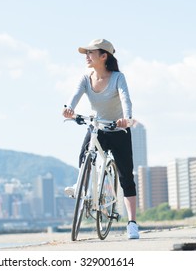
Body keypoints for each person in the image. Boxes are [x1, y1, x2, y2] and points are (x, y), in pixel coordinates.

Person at [62, 38, 139, 240]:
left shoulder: (117, 78)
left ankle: (132, 223)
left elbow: (125, 99)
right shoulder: (86, 78)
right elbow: (74, 96)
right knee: (84, 155)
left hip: (118, 129)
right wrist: (69, 109)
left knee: (126, 177)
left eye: (91, 53)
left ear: (104, 56)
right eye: (86, 53)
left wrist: (127, 118)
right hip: (98, 126)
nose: (86, 57)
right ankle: (83, 189)